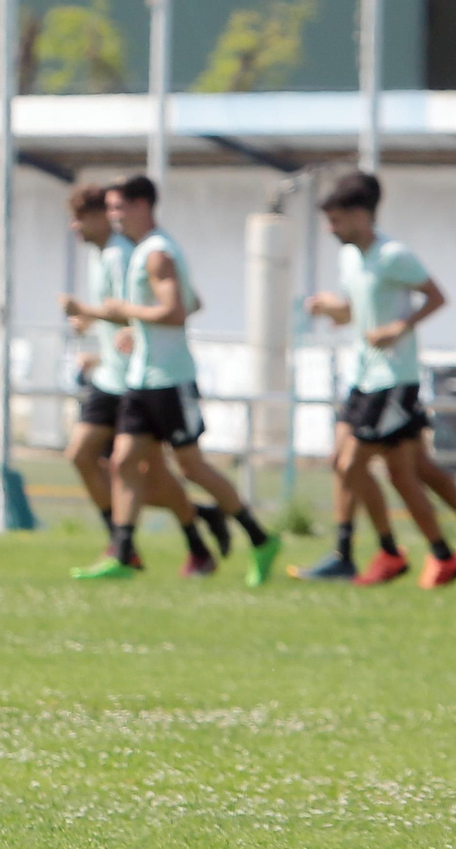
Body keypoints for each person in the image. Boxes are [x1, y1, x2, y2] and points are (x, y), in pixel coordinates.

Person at [297, 171, 456, 588]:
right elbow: (357, 311)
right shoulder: (351, 257)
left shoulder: (393, 255)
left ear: (359, 215)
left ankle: (372, 553)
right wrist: (331, 309)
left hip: (393, 378)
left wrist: (400, 327)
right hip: (363, 376)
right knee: (410, 470)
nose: (330, 229)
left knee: (351, 462)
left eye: (336, 220)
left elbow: (437, 297)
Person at [73, 175, 282, 586]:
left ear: (143, 206)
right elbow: (184, 302)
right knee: (124, 463)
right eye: (110, 209)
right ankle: (123, 551)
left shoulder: (157, 253)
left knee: (192, 467)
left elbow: (177, 311)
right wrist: (137, 329)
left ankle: (260, 538)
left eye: (119, 208)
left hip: (171, 380)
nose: (113, 216)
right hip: (141, 379)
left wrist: (125, 311)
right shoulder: (142, 253)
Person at [57, 183, 229, 577]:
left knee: (144, 468)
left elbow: (176, 304)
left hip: (131, 380)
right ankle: (144, 540)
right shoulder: (104, 255)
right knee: (96, 459)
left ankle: (150, 544)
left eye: (82, 217)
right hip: (111, 376)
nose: (74, 226)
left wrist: (91, 312)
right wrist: (97, 332)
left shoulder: (126, 253)